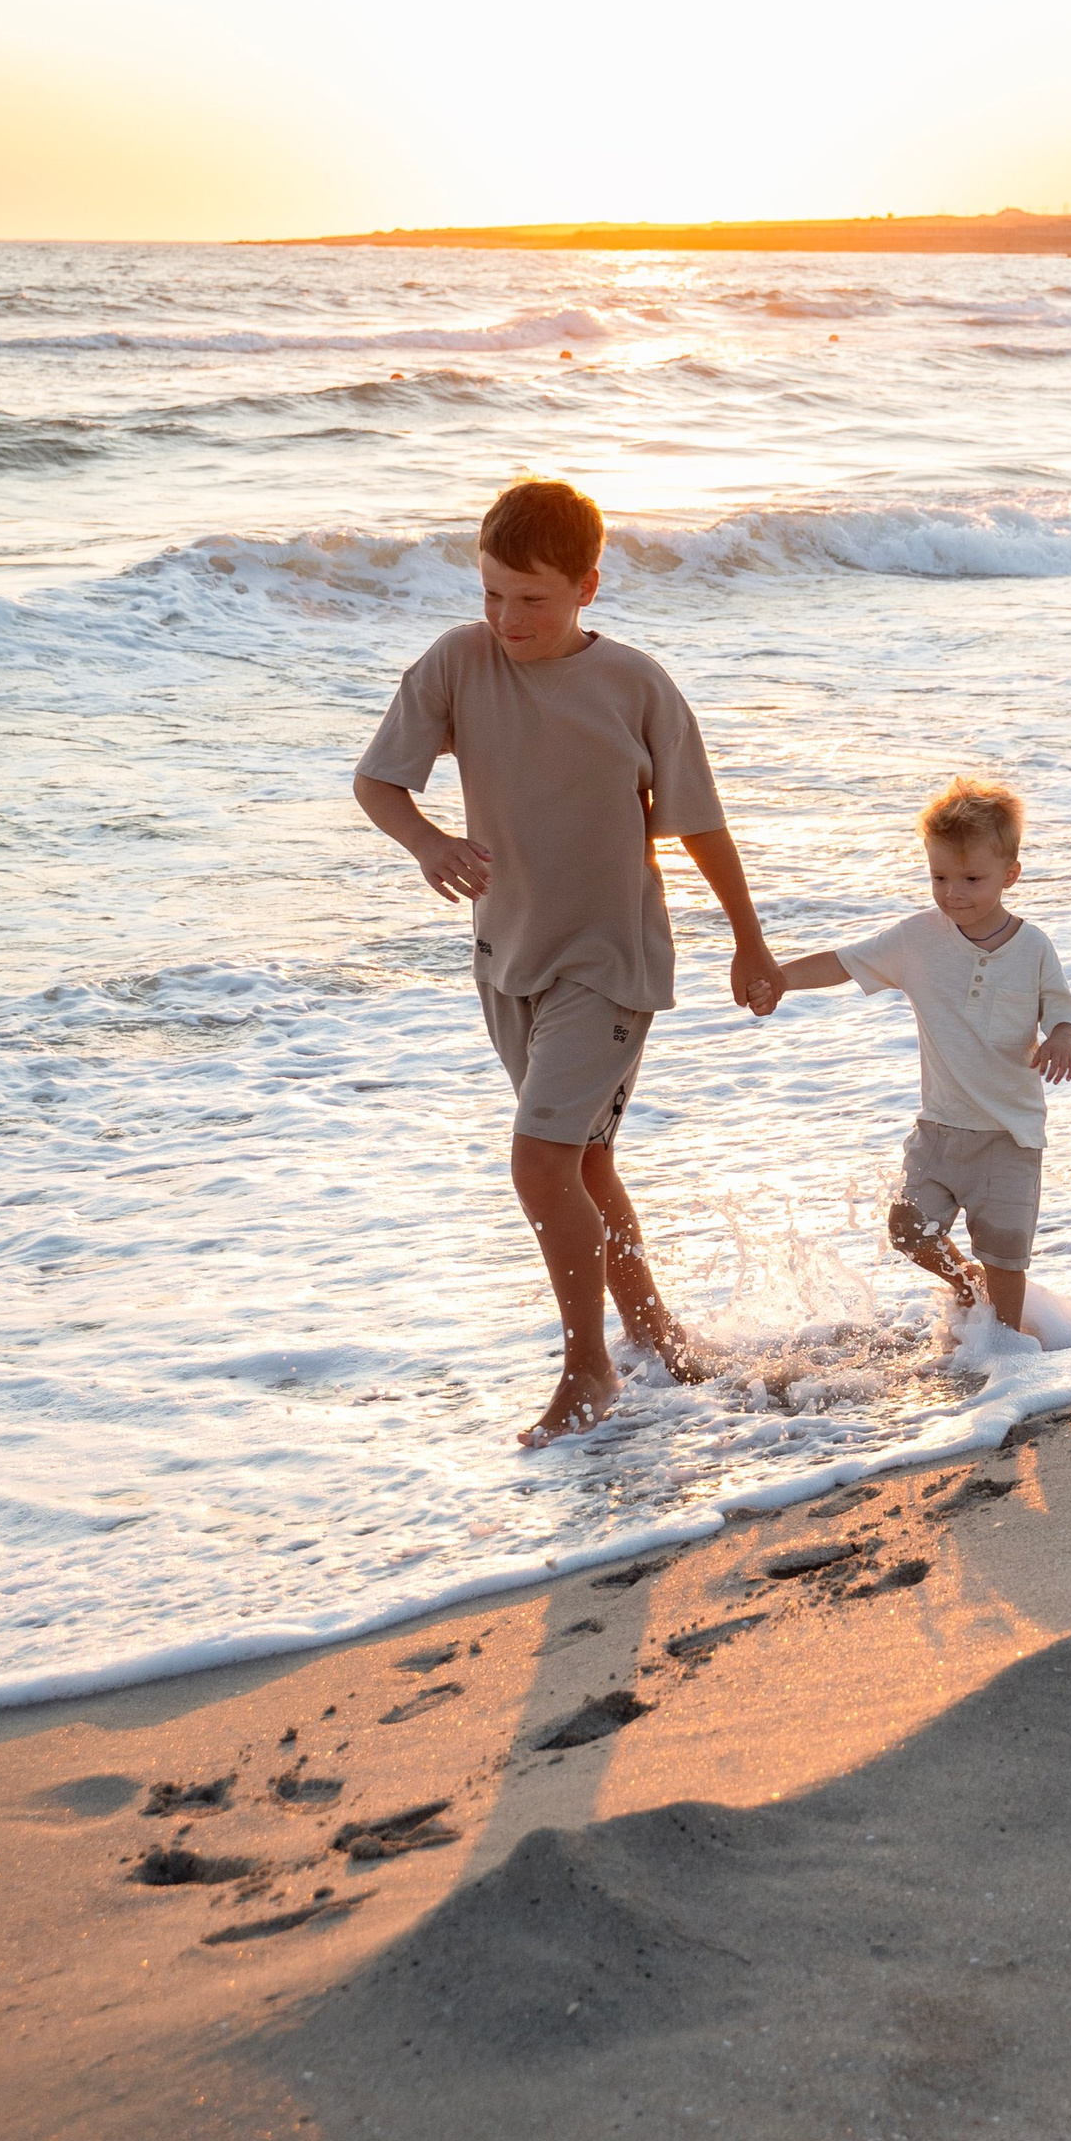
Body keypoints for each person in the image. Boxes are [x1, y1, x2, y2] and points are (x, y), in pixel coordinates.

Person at [352, 477, 785, 1444]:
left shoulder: (634, 684)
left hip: (611, 961)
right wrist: (427, 842)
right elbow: (378, 781)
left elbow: (699, 826)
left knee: (539, 1161)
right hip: (508, 958)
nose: (507, 617)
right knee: (585, 1161)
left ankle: (589, 1371)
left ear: (588, 586)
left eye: (532, 598)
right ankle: (655, 1332)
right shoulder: (459, 663)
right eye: (492, 592)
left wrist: (749, 941)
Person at [768, 775, 1071, 1333]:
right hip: (939, 1126)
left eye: (971, 878)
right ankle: (966, 1287)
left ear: (1010, 875)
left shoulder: (1032, 947)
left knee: (1006, 1254)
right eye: (939, 876)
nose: (953, 892)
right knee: (909, 1229)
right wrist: (778, 979)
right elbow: (842, 962)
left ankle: (1008, 1350)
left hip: (1010, 1134)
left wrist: (1061, 1037)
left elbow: (1064, 1007)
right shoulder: (916, 939)